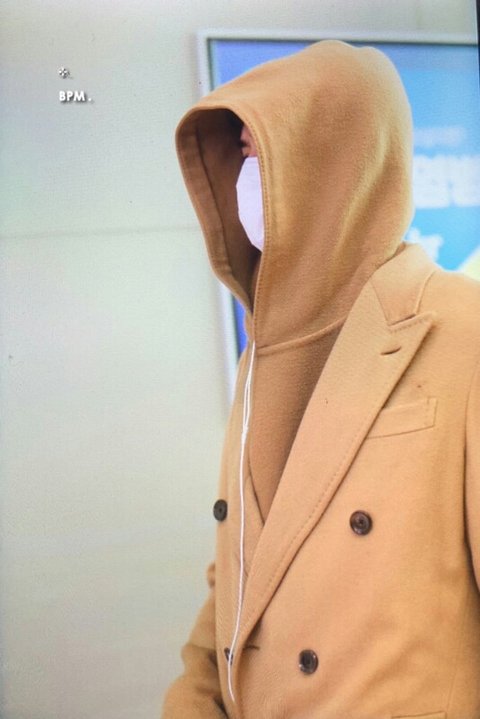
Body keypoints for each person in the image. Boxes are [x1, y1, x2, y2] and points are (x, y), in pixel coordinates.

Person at [162, 40, 480, 719]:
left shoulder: (463, 330)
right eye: (240, 155)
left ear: (334, 159)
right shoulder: (261, 353)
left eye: (260, 152)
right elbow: (241, 579)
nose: (245, 178)